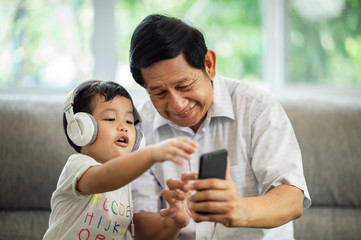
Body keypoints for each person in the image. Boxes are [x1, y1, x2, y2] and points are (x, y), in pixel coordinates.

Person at [129, 14, 311, 240]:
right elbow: (139, 227)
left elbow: (292, 200)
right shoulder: (137, 126)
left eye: (183, 85)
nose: (177, 104)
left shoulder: (257, 107)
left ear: (209, 64)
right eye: (159, 93)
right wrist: (173, 220)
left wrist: (238, 210)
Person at [42, 80, 198, 240]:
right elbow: (104, 178)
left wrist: (174, 222)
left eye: (129, 121)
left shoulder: (126, 184)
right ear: (82, 129)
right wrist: (152, 153)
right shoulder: (77, 166)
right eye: (110, 119)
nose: (124, 127)